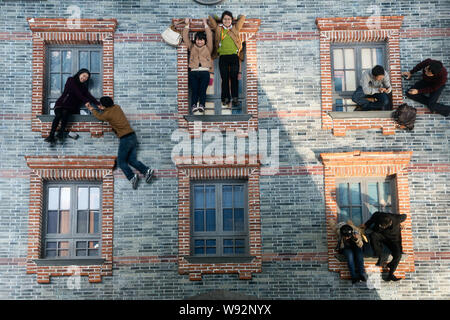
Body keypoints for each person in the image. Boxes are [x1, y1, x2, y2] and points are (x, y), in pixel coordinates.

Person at [86, 96, 154, 189]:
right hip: (133, 136)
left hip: (125, 138)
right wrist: (103, 108)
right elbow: (109, 112)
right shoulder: (117, 107)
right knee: (132, 160)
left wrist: (91, 108)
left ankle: (132, 177)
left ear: (104, 106)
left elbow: (100, 117)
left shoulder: (107, 114)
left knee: (121, 162)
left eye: (101, 104)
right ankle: (147, 171)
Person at [44, 68, 100, 144]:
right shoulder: (71, 80)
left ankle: (60, 133)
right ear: (79, 74)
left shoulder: (83, 87)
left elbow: (89, 96)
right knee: (59, 115)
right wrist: (85, 101)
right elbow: (77, 92)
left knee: (65, 113)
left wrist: (98, 104)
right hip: (61, 103)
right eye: (83, 76)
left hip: (71, 107)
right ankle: (51, 135)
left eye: (86, 78)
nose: (84, 79)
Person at [208, 11, 246, 107]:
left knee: (234, 78)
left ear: (231, 20)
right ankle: (225, 98)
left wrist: (238, 16)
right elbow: (210, 18)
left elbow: (243, 18)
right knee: (224, 78)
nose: (227, 21)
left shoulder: (235, 28)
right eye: (225, 19)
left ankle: (235, 98)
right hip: (223, 57)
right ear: (222, 20)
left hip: (234, 57)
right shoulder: (218, 29)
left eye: (229, 19)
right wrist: (216, 18)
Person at [361, 211, 406, 282]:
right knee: (373, 235)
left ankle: (391, 274)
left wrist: (403, 224)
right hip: (381, 236)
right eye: (380, 226)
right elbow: (371, 220)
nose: (381, 227)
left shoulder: (397, 218)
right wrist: (366, 225)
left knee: (398, 255)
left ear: (390, 223)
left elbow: (405, 215)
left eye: (383, 227)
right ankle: (380, 256)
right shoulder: (378, 215)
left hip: (393, 240)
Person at [182, 18, 213, 113]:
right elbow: (185, 37)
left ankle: (202, 105)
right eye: (198, 40)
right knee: (194, 90)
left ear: (204, 41)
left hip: (205, 72)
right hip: (193, 72)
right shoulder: (192, 47)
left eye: (201, 40)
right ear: (195, 40)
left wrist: (205, 24)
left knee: (202, 91)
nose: (199, 42)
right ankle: (194, 105)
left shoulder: (208, 47)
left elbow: (210, 35)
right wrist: (187, 25)